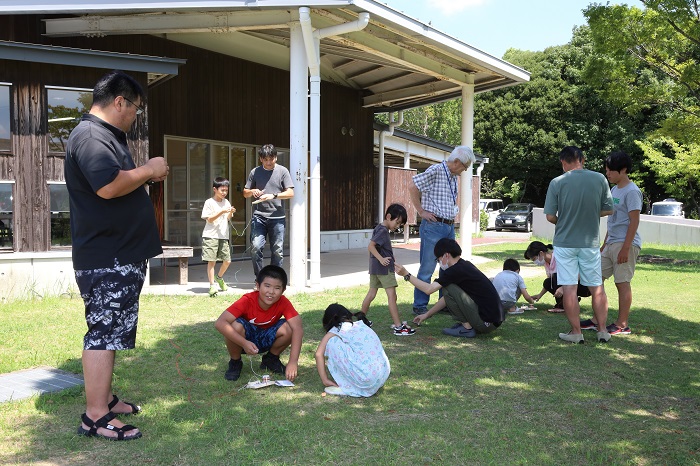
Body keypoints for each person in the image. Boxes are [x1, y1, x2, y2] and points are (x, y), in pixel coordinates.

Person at [66, 70, 169, 441]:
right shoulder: (91, 136)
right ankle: (95, 415)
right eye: (136, 109)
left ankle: (105, 399)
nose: (135, 117)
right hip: (107, 256)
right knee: (104, 333)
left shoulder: (104, 135)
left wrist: (143, 177)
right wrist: (149, 170)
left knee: (114, 329)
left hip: (118, 253)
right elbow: (108, 186)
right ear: (120, 102)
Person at [544, 146, 614, 344]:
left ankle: (576, 332)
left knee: (569, 288)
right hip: (589, 243)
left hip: (565, 243)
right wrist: (589, 215)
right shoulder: (600, 179)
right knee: (597, 287)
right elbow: (608, 209)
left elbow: (550, 216)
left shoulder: (557, 182)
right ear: (582, 159)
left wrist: (564, 220)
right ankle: (602, 330)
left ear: (563, 162)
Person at [580, 151, 642, 335]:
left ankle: (622, 324)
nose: (607, 174)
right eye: (606, 170)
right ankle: (596, 319)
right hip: (611, 244)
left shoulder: (632, 191)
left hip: (626, 244)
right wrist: (605, 244)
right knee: (595, 278)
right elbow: (612, 220)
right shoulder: (614, 189)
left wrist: (625, 248)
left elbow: (634, 221)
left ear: (623, 170)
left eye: (611, 170)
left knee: (622, 283)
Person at [409, 146, 475, 315]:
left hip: (448, 226)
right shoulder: (436, 170)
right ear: (456, 162)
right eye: (464, 167)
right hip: (434, 226)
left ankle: (443, 303)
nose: (465, 170)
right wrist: (421, 211)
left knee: (448, 266)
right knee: (428, 266)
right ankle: (420, 305)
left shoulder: (453, 176)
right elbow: (412, 186)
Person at [395, 238, 504, 338]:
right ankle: (468, 324)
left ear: (446, 255)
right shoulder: (465, 265)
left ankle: (467, 328)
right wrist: (427, 315)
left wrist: (406, 275)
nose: (439, 263)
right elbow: (448, 298)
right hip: (492, 321)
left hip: (486, 323)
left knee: (447, 287)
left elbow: (429, 289)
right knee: (448, 288)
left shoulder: (454, 271)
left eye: (438, 260)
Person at [214, 265, 303, 382]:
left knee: (290, 327)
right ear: (257, 285)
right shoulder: (247, 300)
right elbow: (220, 323)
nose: (271, 292)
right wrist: (244, 343)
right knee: (235, 326)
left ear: (283, 290)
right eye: (267, 286)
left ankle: (271, 359)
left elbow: (298, 329)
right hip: (246, 338)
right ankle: (235, 362)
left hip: (268, 336)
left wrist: (293, 362)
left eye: (277, 288)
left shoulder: (283, 302)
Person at [357, 203, 415, 336]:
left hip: (375, 268)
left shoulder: (379, 227)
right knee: (392, 296)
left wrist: (377, 261)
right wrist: (382, 260)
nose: (398, 226)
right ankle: (399, 326)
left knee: (371, 294)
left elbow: (376, 248)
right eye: (398, 222)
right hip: (383, 269)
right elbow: (371, 246)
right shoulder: (383, 230)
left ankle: (361, 320)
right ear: (389, 216)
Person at [315, 304, 391, 397]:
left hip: (366, 378)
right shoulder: (362, 325)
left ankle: (348, 386)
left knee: (332, 342)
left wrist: (325, 380)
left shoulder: (336, 330)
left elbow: (319, 354)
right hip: (382, 375)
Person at [243, 144, 294, 278]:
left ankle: (274, 279)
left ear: (276, 158)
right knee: (256, 247)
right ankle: (260, 279)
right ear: (261, 159)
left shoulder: (283, 171)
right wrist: (252, 191)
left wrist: (273, 195)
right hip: (259, 217)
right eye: (265, 160)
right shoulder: (255, 172)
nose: (269, 162)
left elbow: (290, 192)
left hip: (277, 217)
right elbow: (245, 193)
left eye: (271, 159)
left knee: (277, 251)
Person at [524, 241, 591, 313]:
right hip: (571, 284)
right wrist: (539, 295)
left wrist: (563, 288)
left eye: (534, 259)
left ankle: (563, 306)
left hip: (585, 284)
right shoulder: (547, 263)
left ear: (541, 253)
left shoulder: (559, 257)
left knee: (556, 276)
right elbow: (551, 282)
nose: (535, 262)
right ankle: (568, 301)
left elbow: (579, 273)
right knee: (548, 282)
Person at [201, 177, 236, 297]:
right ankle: (212, 286)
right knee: (212, 261)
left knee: (227, 261)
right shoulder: (209, 202)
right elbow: (209, 219)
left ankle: (219, 278)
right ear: (215, 189)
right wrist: (221, 212)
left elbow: (227, 219)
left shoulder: (226, 202)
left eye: (226, 190)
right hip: (210, 236)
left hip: (223, 235)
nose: (225, 193)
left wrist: (230, 212)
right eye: (222, 190)